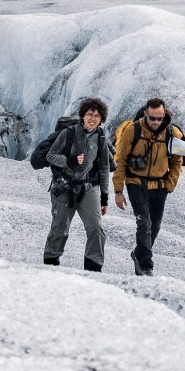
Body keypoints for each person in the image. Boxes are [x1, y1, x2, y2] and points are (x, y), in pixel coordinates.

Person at [110, 98, 185, 276]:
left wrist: (170, 184)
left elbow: (177, 162)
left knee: (155, 227)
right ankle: (146, 266)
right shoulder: (133, 130)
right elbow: (121, 161)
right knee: (144, 223)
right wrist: (118, 191)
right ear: (145, 114)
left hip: (160, 186)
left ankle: (138, 254)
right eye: (152, 118)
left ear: (164, 115)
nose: (156, 122)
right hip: (135, 183)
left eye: (160, 118)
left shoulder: (173, 133)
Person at [40, 97, 112, 271]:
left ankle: (93, 268)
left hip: (89, 188)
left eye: (97, 116)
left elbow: (104, 167)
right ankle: (51, 264)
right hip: (65, 186)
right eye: (89, 114)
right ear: (83, 116)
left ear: (101, 119)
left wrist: (104, 197)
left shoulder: (101, 137)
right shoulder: (68, 133)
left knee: (96, 228)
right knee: (60, 227)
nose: (93, 119)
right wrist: (69, 161)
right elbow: (50, 156)